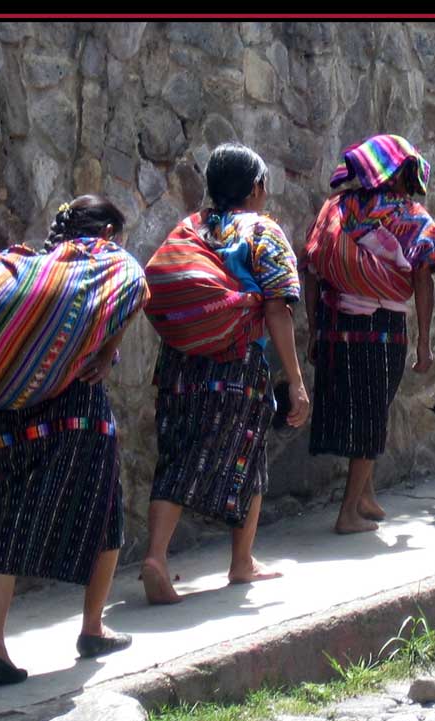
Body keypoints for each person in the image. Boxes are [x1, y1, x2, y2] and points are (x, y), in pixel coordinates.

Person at [0, 195, 145, 683]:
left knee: (8, 521)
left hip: (10, 417)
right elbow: (139, 293)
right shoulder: (98, 268)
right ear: (107, 233)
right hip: (75, 413)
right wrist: (109, 351)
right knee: (106, 512)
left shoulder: (34, 273)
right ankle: (92, 627)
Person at [140, 143, 310, 604]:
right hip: (236, 363)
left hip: (179, 362)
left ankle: (159, 554)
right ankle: (240, 560)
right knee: (248, 453)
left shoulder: (189, 228)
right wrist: (295, 380)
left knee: (178, 454)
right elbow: (277, 310)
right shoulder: (262, 231)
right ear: (256, 188)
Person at [303, 134, 435, 534]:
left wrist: (316, 328)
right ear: (403, 173)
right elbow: (423, 279)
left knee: (356, 410)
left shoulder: (336, 209)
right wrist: (423, 342)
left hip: (337, 324)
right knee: (372, 416)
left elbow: (312, 268)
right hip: (382, 329)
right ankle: (348, 512)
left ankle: (366, 495)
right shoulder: (409, 215)